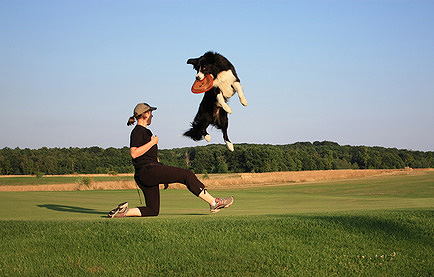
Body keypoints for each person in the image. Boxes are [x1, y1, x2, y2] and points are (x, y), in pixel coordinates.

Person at [108, 102, 234, 218]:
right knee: (187, 175)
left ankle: (124, 212)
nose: (152, 115)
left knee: (153, 210)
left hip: (148, 173)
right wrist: (153, 142)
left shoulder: (147, 132)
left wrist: (162, 174)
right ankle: (214, 202)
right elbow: (134, 153)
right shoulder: (137, 131)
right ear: (145, 114)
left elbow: (150, 157)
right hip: (147, 171)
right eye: (150, 113)